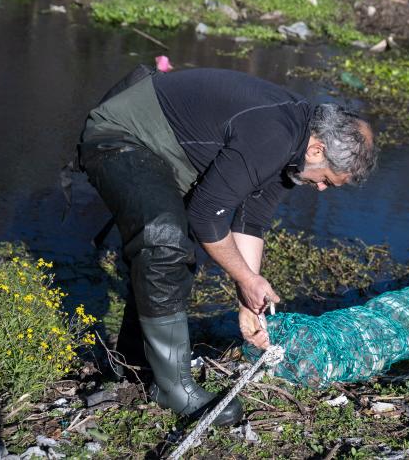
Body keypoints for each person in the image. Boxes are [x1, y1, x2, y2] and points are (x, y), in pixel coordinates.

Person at [77, 66, 377, 426]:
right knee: (165, 239)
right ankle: (173, 387)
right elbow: (206, 216)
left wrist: (248, 298)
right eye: (328, 179)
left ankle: (135, 362)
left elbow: (250, 220)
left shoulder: (292, 148)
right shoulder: (275, 134)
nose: (324, 189)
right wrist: (244, 277)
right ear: (317, 149)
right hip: (120, 135)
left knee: (174, 250)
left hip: (164, 155)